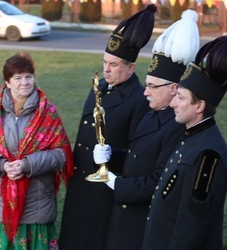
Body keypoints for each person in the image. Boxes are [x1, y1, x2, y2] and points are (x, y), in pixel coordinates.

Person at [92, 9, 200, 250]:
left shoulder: (176, 127)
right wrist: (113, 154)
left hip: (143, 222)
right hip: (125, 218)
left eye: (152, 86)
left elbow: (159, 181)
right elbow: (137, 154)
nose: (145, 91)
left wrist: (115, 183)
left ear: (174, 89)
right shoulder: (153, 111)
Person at [58, 4, 156, 249]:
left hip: (105, 188)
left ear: (131, 67)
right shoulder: (100, 86)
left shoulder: (139, 99)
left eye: (113, 64)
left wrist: (112, 158)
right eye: (104, 62)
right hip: (81, 180)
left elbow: (137, 152)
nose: (106, 69)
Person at [0, 52, 74, 249]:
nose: (25, 82)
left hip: (36, 206)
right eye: (18, 77)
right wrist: (1, 165)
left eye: (29, 76)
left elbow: (61, 154)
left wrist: (28, 164)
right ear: (7, 82)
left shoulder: (47, 112)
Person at [142, 36, 227, 250]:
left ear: (199, 106)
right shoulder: (191, 137)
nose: (172, 103)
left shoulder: (209, 154)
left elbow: (191, 228)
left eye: (180, 97)